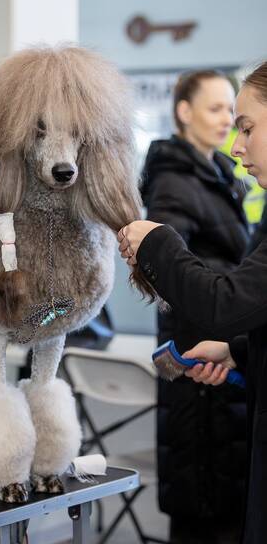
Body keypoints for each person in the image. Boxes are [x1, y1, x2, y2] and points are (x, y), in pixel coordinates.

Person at [118, 60, 267, 544]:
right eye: (219, 110)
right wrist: (238, 347)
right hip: (202, 363)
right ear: (183, 112)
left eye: (241, 120)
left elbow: (234, 294)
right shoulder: (176, 182)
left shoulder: (224, 176)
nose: (231, 132)